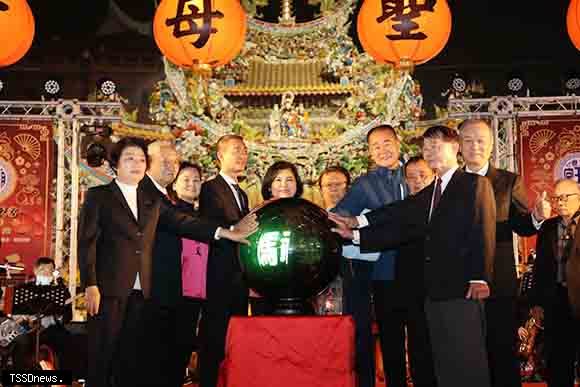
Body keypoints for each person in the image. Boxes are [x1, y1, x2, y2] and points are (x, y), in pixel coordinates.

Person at [78, 137, 255, 387]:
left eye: (141, 160)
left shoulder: (157, 200)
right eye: (131, 159)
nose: (137, 164)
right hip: (112, 290)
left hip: (149, 293)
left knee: (134, 362)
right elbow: (87, 242)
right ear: (117, 164)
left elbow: (184, 223)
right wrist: (90, 283)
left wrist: (226, 232)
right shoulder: (104, 195)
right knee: (104, 359)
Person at [330, 125, 496, 387]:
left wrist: (481, 277)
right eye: (426, 147)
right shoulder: (431, 192)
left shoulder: (474, 183)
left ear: (455, 149)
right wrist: (356, 228)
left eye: (436, 146)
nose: (429, 152)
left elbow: (483, 229)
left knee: (467, 359)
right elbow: (398, 216)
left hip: (462, 286)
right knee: (443, 360)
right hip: (432, 290)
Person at [459, 118, 551, 387]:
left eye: (481, 141)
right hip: (458, 282)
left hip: (498, 281)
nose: (475, 146)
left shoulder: (508, 181)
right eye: (469, 140)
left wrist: (535, 216)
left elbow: (521, 225)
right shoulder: (451, 182)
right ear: (459, 146)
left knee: (501, 349)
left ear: (490, 146)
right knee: (465, 351)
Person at [332, 125, 408, 387]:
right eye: (375, 146)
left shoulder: (417, 173)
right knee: (390, 338)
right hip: (385, 271)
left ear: (399, 143)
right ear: (369, 153)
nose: (382, 150)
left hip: (422, 268)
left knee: (426, 336)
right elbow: (341, 215)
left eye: (387, 143)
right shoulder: (365, 184)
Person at [198, 134, 252, 387]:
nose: (241, 155)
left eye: (244, 151)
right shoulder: (210, 188)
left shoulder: (242, 193)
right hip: (217, 278)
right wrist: (235, 227)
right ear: (220, 156)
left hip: (238, 279)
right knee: (214, 341)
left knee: (235, 341)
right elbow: (210, 226)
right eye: (235, 150)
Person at [530, 179, 580, 387]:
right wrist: (536, 303)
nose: (560, 202)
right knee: (558, 362)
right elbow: (540, 269)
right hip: (556, 301)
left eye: (565, 197)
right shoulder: (548, 227)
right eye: (556, 198)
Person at [393, 156, 437, 387]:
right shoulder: (402, 209)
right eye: (411, 178)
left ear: (434, 177)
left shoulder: (445, 206)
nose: (417, 181)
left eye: (422, 176)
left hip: (442, 290)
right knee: (418, 345)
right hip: (411, 289)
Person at [168, 161, 205, 381]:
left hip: (197, 293)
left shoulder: (203, 215)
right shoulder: (170, 213)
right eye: (186, 179)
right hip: (176, 291)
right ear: (175, 183)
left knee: (185, 349)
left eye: (196, 180)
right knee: (172, 351)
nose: (192, 184)